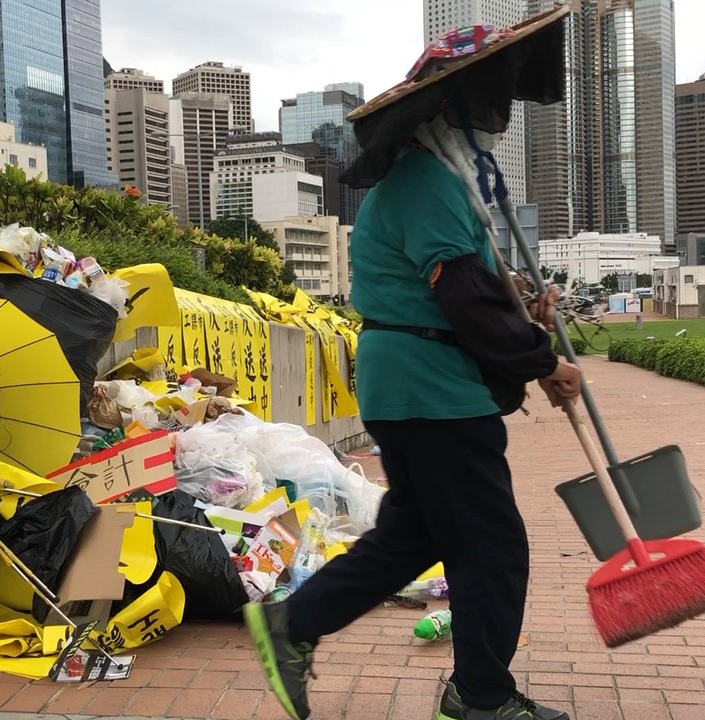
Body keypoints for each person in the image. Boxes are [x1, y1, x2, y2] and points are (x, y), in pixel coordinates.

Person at [243, 11, 580, 720]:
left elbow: (472, 290)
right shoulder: (429, 183)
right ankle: (481, 697)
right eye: (493, 101)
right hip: (432, 390)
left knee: (416, 534)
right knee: (491, 545)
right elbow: (463, 298)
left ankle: (291, 624)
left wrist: (522, 304)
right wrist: (543, 361)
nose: (503, 118)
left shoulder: (429, 181)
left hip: (415, 384)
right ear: (453, 108)